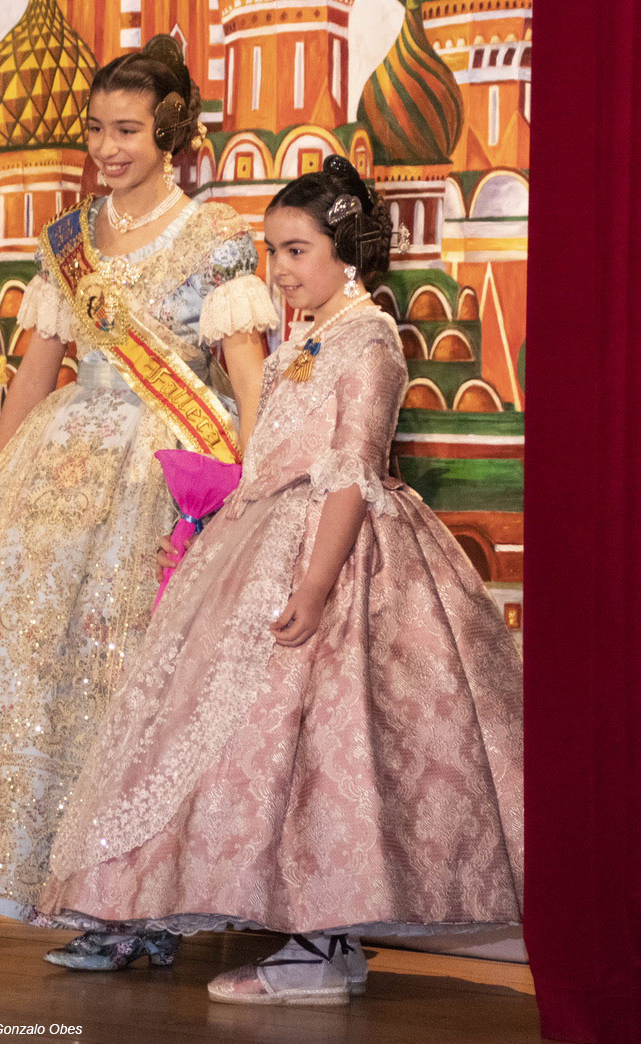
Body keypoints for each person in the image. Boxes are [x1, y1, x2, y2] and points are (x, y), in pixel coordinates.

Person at [37, 155, 524, 998]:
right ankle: (274, 934)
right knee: (247, 745)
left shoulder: (369, 342)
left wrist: (314, 585)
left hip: (330, 554)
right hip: (268, 540)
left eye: (297, 251)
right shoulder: (310, 338)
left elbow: (350, 472)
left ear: (347, 254)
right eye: (274, 251)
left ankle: (320, 947)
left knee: (329, 748)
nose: (281, 269)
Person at [0, 36, 280, 949]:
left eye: (127, 130)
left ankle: (142, 903)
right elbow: (33, 378)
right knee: (45, 681)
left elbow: (246, 380)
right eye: (95, 129)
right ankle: (63, 892)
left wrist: (252, 489)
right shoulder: (69, 241)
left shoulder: (216, 237)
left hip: (164, 478)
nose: (106, 147)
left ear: (170, 134)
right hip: (60, 472)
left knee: (133, 683)